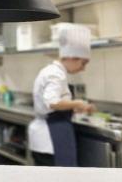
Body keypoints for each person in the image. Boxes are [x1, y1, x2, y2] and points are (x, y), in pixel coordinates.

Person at [28, 24, 95, 167]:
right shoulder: (56, 74)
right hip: (51, 139)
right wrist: (78, 103)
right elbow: (52, 102)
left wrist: (71, 107)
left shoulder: (52, 70)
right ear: (71, 57)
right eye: (83, 63)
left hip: (46, 137)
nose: (83, 69)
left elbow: (55, 104)